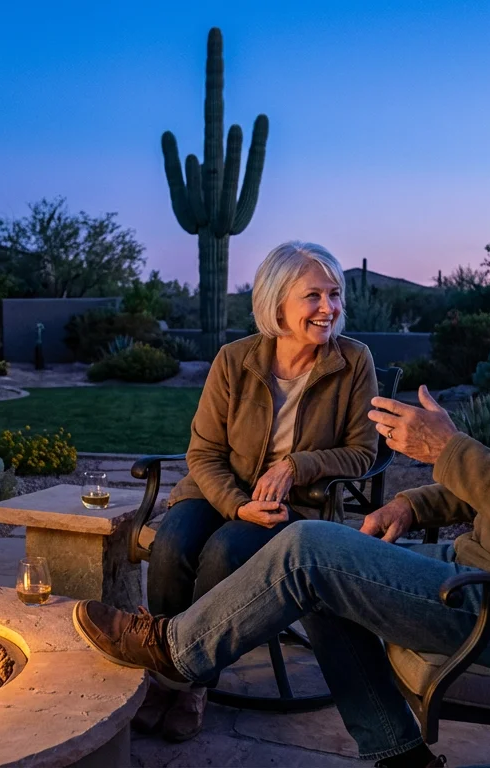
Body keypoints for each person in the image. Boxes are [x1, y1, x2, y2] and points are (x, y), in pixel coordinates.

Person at [71, 202, 490, 767]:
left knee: (310, 550)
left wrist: (446, 449)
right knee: (320, 563)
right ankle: (399, 755)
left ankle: (176, 652)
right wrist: (414, 499)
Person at [137, 241, 380, 741]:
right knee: (171, 547)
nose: (328, 308)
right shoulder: (235, 360)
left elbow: (363, 453)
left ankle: (192, 681)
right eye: (312, 295)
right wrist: (235, 503)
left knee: (224, 553)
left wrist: (297, 465)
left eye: (334, 294)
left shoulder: (353, 361)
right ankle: (162, 674)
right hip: (216, 490)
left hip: (293, 507)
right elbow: (202, 452)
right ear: (276, 303)